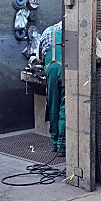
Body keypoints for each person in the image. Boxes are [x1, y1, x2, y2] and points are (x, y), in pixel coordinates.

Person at [38, 21, 65, 157]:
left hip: (50, 69)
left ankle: (54, 143)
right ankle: (62, 145)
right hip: (66, 70)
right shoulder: (72, 29)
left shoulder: (48, 31)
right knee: (65, 106)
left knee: (53, 106)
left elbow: (41, 56)